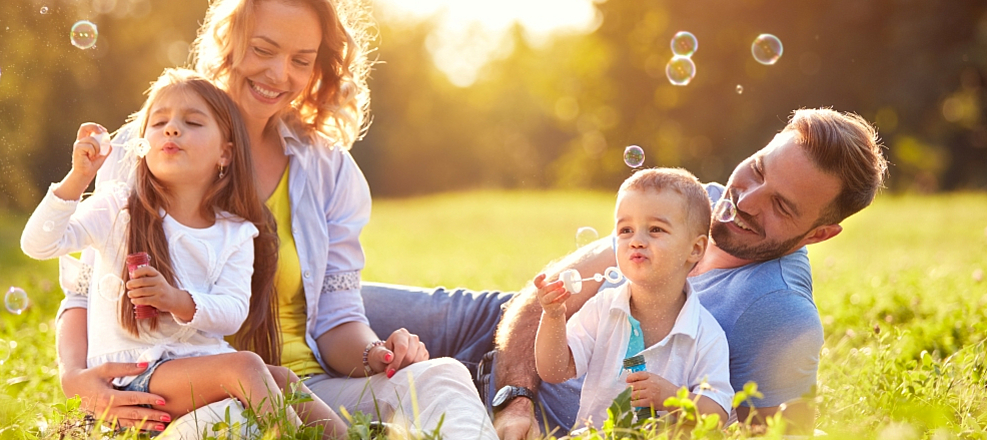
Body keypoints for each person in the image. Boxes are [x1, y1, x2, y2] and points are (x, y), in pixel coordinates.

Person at [53, 0, 498, 438]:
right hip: (192, 392)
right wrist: (74, 377)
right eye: (263, 50)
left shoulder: (328, 169)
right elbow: (84, 291)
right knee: (222, 427)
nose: (280, 74)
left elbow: (337, 320)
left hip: (311, 392)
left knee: (441, 377)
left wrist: (377, 355)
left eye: (300, 60)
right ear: (227, 41)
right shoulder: (146, 148)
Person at [361, 108, 888, 437]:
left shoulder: (781, 315)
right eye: (755, 169)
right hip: (493, 329)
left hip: (546, 417)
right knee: (309, 303)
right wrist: (515, 398)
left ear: (819, 234)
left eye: (782, 206)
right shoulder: (698, 201)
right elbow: (550, 290)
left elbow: (769, 434)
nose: (743, 200)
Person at [22, 68, 345, 436]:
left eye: (192, 122)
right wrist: (78, 178)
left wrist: (178, 300)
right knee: (245, 367)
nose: (172, 129)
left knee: (282, 378)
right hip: (133, 377)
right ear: (143, 145)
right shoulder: (116, 208)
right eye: (159, 122)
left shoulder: (235, 232)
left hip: (194, 368)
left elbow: (233, 311)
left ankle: (352, 436)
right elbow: (39, 243)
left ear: (225, 153)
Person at [534, 168, 732, 429]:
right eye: (626, 229)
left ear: (694, 249)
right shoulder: (603, 309)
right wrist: (553, 316)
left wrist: (672, 398)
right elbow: (553, 370)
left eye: (655, 229)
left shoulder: (704, 334)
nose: (636, 241)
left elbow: (717, 415)